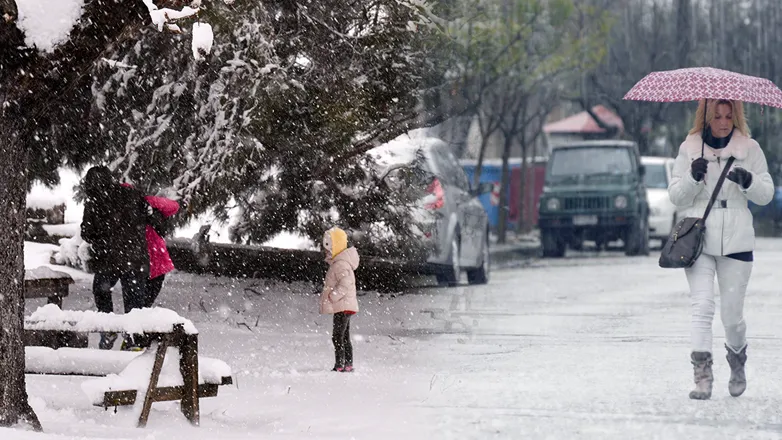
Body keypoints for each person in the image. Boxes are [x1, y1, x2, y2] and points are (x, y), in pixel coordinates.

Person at [668, 99, 774, 400]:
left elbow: (766, 194)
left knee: (731, 315)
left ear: (736, 117)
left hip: (737, 240)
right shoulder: (689, 149)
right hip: (698, 237)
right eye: (717, 116)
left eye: (729, 116)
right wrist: (692, 177)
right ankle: (702, 376)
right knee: (701, 308)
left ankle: (737, 361)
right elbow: (676, 196)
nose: (724, 121)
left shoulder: (749, 149)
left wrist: (748, 181)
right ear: (706, 118)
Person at [80, 166, 164, 350]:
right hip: (136, 258)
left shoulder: (94, 202)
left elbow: (86, 233)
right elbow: (153, 220)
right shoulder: (132, 195)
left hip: (109, 259)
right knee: (134, 302)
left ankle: (108, 327)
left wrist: (100, 239)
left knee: (101, 291)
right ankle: (133, 340)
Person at [318, 227, 360, 372]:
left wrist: (333, 296)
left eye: (329, 249)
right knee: (344, 336)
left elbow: (346, 283)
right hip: (344, 305)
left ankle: (340, 365)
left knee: (337, 336)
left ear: (336, 246)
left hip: (342, 305)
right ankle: (348, 364)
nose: (327, 252)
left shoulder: (341, 264)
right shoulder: (339, 263)